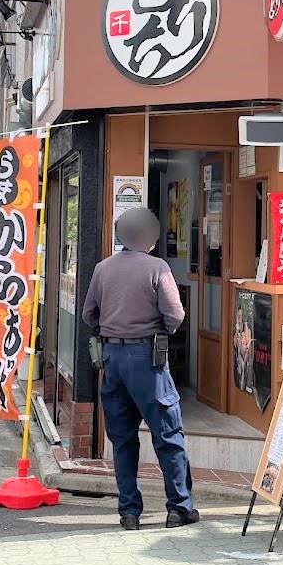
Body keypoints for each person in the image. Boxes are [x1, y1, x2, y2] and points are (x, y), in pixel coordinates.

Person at [82, 207, 197, 531]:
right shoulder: (157, 267)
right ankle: (179, 508)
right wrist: (160, 329)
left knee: (122, 438)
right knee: (168, 433)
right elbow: (175, 314)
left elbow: (89, 314)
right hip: (147, 357)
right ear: (149, 236)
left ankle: (129, 512)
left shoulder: (102, 269)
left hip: (111, 358)